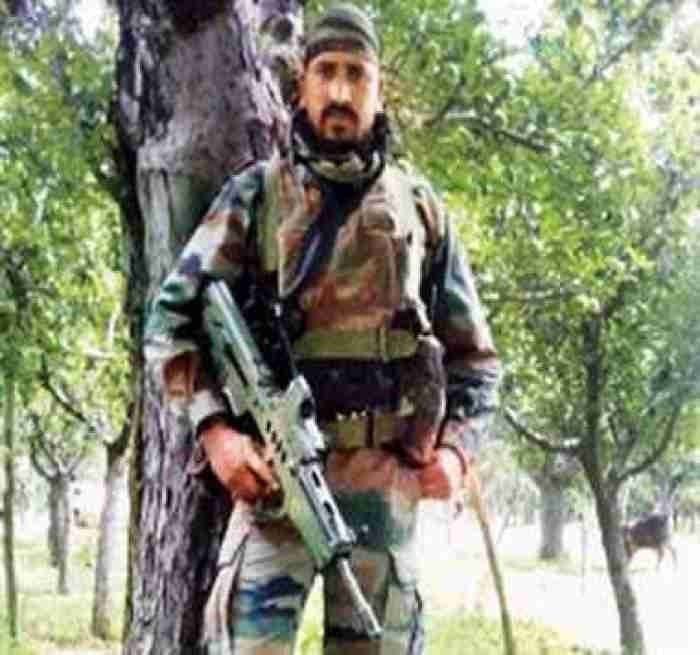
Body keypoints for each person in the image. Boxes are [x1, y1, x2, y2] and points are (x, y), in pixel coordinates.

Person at [144, 4, 501, 653]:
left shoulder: (420, 210)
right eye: (326, 72)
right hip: (275, 487)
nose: (340, 91)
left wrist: (456, 450)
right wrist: (216, 432)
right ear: (302, 85)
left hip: (384, 495)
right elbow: (171, 322)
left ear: (378, 88)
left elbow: (475, 360)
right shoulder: (256, 198)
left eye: (356, 74)